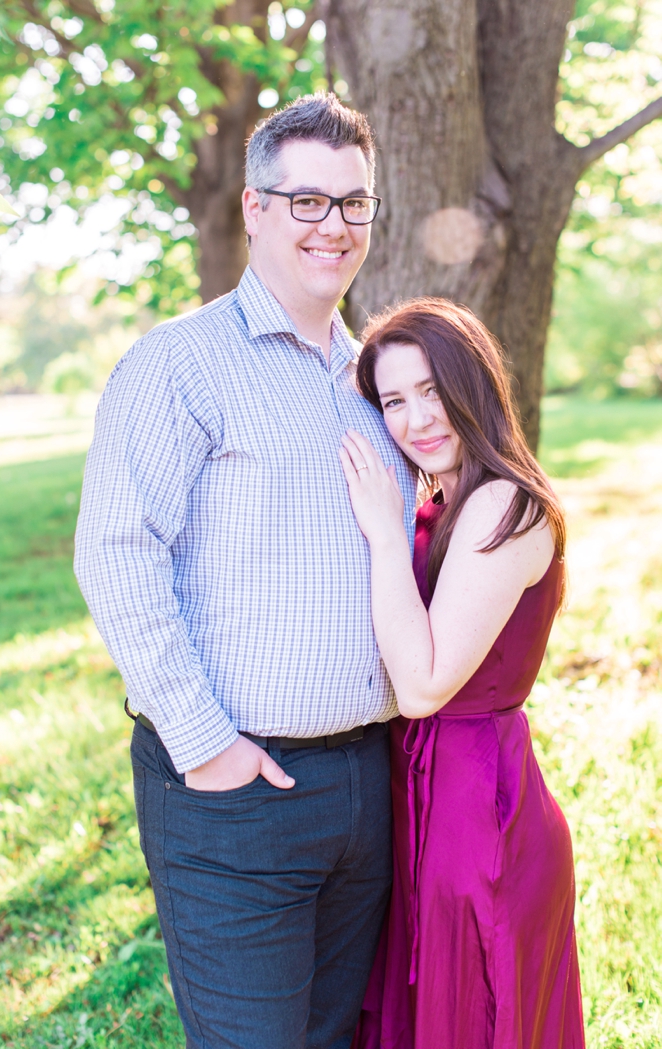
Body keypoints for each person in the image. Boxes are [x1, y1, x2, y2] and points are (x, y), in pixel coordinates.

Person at [74, 93, 417, 1049]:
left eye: (353, 203)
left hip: (366, 782)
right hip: (235, 793)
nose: (333, 225)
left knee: (336, 1038)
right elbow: (115, 551)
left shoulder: (373, 383)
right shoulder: (179, 365)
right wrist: (204, 744)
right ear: (255, 209)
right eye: (306, 201)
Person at [338, 299, 585, 1049]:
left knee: (469, 1019)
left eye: (432, 390)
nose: (416, 419)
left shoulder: (504, 504)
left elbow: (423, 686)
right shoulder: (444, 505)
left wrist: (384, 538)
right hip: (423, 793)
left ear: (472, 383)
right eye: (393, 401)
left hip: (477, 811)